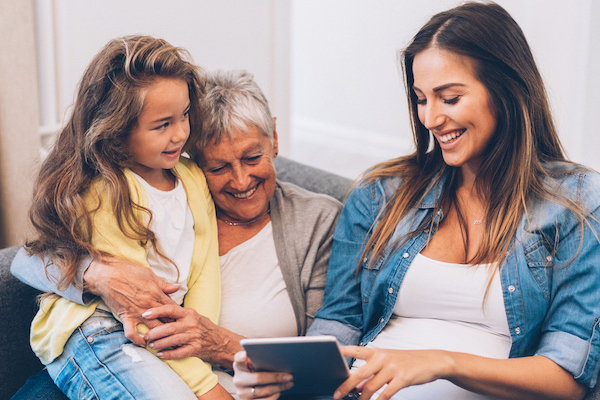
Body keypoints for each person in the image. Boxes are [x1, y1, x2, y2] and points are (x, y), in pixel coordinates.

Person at [232, 2, 600, 400]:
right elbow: (339, 323)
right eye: (422, 98)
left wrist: (441, 362)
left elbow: (568, 377)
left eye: (450, 97)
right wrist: (288, 376)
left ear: (506, 91)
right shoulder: (381, 192)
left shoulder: (576, 203)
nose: (430, 118)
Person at [11, 69, 342, 398]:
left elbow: (321, 361)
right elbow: (27, 259)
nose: (241, 181)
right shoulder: (174, 200)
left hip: (219, 383)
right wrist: (97, 274)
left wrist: (221, 345)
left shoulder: (315, 220)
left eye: (252, 157)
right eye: (219, 167)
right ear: (192, 160)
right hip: (120, 354)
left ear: (274, 138)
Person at [23, 35, 230, 399]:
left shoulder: (193, 178)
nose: (181, 133)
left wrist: (194, 338)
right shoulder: (107, 191)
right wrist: (205, 386)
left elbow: (204, 272)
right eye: (162, 124)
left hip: (157, 333)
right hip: (98, 329)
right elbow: (137, 306)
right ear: (117, 130)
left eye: (184, 116)